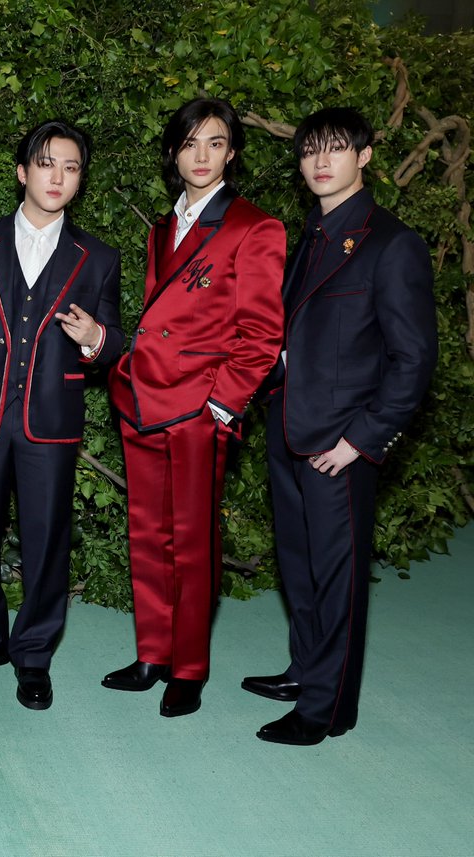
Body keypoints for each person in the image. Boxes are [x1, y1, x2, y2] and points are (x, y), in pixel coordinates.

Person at [245, 107, 437, 745]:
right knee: (298, 565)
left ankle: (328, 708)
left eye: (335, 149)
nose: (320, 162)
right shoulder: (312, 234)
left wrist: (361, 440)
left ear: (366, 156)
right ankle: (306, 670)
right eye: (309, 152)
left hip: (340, 443)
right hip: (289, 428)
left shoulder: (391, 242)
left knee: (338, 574)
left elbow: (413, 360)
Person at [104, 97, 285, 717]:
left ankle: (189, 667)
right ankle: (152, 653)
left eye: (214, 143)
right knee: (147, 534)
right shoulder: (164, 225)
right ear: (173, 154)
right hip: (142, 402)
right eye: (189, 144)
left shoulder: (255, 227)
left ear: (232, 151)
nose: (201, 156)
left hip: (198, 411)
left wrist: (222, 407)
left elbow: (262, 336)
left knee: (192, 541)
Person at [0, 120, 123, 710]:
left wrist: (96, 338)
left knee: (47, 542)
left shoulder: (97, 257)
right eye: (47, 164)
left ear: (79, 180)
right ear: (23, 171)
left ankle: (34, 653)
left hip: (51, 419)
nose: (58, 177)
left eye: (70, 168)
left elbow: (113, 343)